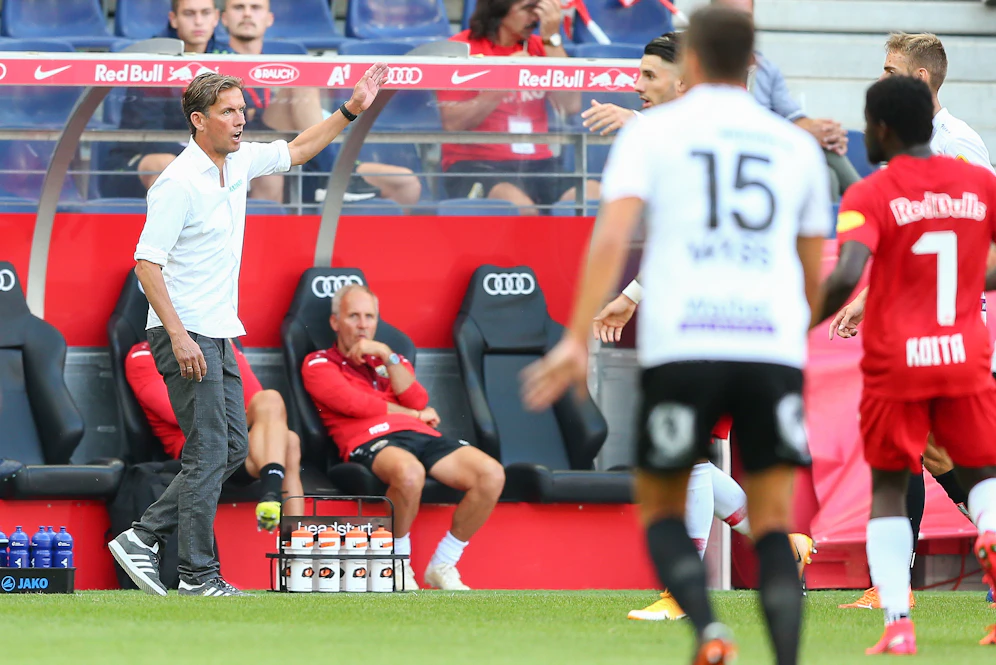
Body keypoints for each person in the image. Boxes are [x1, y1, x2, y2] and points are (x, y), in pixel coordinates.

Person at [522, 7, 829, 664]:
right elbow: (810, 272)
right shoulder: (794, 146)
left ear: (690, 64)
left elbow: (611, 237)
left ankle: (706, 626)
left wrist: (576, 336)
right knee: (772, 523)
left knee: (659, 501)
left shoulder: (655, 135)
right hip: (768, 347)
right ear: (754, 65)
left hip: (685, 342)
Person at [107, 64, 388, 598]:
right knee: (210, 451)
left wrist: (351, 108)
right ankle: (195, 575)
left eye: (242, 109)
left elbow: (301, 148)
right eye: (229, 112)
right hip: (184, 335)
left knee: (234, 448)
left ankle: (144, 537)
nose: (242, 120)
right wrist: (181, 335)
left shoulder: (237, 161)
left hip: (217, 333)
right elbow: (147, 264)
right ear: (199, 120)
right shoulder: (177, 182)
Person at [581, 31, 815, 623]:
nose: (638, 88)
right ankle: (784, 544)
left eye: (648, 78)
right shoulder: (747, 137)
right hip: (736, 329)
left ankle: (683, 595)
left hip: (718, 329)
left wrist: (627, 297)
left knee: (682, 456)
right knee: (688, 456)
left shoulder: (683, 142)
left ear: (686, 78)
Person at [813, 75, 996, 653]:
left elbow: (845, 274)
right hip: (964, 355)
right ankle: (990, 533)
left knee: (890, 487)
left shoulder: (871, 193)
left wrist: (799, 322)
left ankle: (897, 623)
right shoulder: (979, 185)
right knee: (984, 475)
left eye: (867, 122)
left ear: (883, 128)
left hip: (899, 364)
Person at [301, 284, 506, 592]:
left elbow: (418, 398)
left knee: (491, 474)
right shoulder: (317, 362)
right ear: (335, 322)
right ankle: (396, 563)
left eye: (369, 317)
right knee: (410, 475)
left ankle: (443, 563)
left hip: (420, 435)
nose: (362, 324)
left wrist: (386, 355)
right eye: (353, 316)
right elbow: (355, 405)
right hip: (368, 438)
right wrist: (411, 415)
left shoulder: (389, 358)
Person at [220, 0, 423, 207]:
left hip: (305, 152)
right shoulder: (213, 59)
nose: (247, 14)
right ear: (224, 19)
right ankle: (333, 175)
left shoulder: (280, 59)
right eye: (239, 7)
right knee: (301, 86)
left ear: (269, 19)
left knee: (406, 183)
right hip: (251, 148)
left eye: (255, 8)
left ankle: (338, 183)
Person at [437, 0, 599, 215]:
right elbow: (453, 122)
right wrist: (505, 79)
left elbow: (570, 105)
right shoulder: (460, 48)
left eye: (539, 10)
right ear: (499, 10)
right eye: (528, 9)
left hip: (539, 163)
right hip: (476, 164)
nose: (535, 18)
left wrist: (551, 38)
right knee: (521, 209)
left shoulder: (541, 46)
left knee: (596, 196)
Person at [126, 339, 304, 531]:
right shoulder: (143, 356)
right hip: (198, 447)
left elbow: (254, 400)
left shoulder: (220, 342)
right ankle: (288, 529)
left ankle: (279, 511)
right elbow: (182, 412)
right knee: (288, 442)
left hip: (236, 443)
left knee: (271, 402)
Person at [717, 0, 861, 202]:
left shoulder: (766, 68)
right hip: (741, 155)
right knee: (824, 173)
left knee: (826, 174)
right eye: (729, 16)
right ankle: (876, 204)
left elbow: (795, 117)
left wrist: (824, 131)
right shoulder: (704, 68)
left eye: (745, 18)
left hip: (777, 155)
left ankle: (872, 205)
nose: (737, 25)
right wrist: (802, 132)